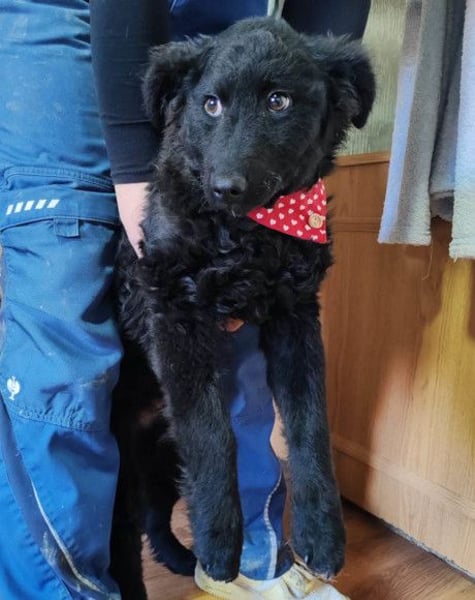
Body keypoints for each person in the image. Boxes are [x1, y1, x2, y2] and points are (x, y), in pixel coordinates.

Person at [0, 1, 370, 598]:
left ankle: (250, 559)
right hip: (69, 16)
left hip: (216, 29)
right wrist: (133, 174)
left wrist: (301, 87)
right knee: (67, 334)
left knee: (241, 352)